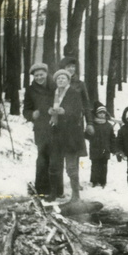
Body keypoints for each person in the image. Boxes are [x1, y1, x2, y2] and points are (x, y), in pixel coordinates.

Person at [48, 69, 90, 201]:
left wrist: (65, 111)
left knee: (71, 166)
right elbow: (47, 108)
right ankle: (53, 193)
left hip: (71, 135)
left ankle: (75, 195)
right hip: (56, 133)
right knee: (54, 165)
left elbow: (78, 111)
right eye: (58, 79)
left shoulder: (74, 93)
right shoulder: (54, 94)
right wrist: (49, 111)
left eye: (63, 78)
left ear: (68, 80)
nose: (60, 80)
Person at [23, 63, 63, 197]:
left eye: (41, 74)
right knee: (42, 158)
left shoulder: (56, 86)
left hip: (56, 126)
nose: (39, 77)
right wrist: (31, 114)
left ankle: (57, 191)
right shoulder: (30, 90)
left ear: (47, 74)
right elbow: (26, 110)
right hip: (41, 128)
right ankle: (41, 190)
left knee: (56, 158)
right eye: (36, 75)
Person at [59, 56, 94, 137]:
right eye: (68, 67)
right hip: (60, 121)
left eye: (73, 67)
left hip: (76, 121)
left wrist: (89, 122)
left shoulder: (80, 84)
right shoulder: (56, 84)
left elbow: (86, 104)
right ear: (63, 68)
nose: (71, 69)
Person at [86, 101, 116, 188]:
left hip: (105, 150)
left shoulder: (109, 126)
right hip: (95, 149)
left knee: (104, 166)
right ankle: (94, 181)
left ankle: (103, 181)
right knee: (95, 166)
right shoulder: (93, 125)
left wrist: (113, 149)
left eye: (103, 113)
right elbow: (87, 136)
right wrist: (88, 132)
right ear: (96, 114)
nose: (102, 115)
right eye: (100, 113)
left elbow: (112, 138)